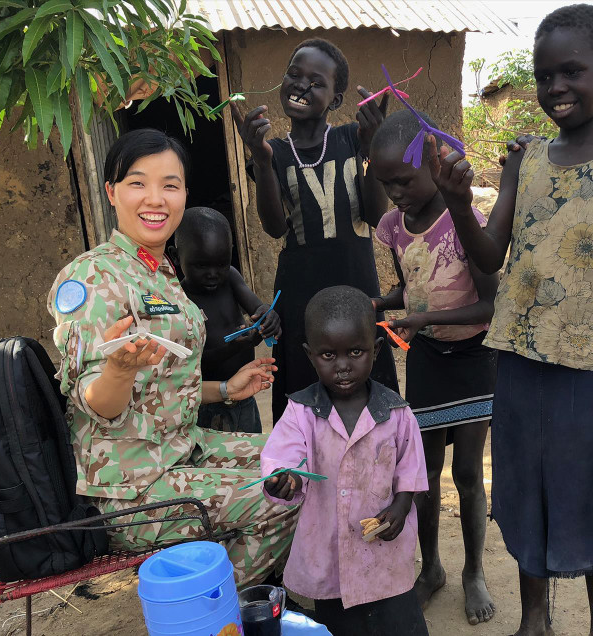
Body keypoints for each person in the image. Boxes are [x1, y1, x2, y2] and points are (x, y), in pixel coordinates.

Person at [431, 5, 593, 634]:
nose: (555, 87)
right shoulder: (526, 160)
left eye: (572, 71)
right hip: (520, 362)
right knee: (528, 490)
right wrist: (458, 204)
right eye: (543, 76)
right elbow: (490, 255)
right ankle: (534, 619)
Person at [48, 128, 298, 587]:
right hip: (132, 489)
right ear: (111, 192)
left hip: (184, 450)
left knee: (297, 462)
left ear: (184, 194)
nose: (155, 198)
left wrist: (224, 389)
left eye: (170, 185)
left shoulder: (162, 271)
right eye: (138, 183)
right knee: (286, 498)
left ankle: (242, 589)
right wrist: (118, 372)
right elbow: (95, 402)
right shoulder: (93, 277)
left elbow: (159, 387)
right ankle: (215, 609)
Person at [369, 109, 499, 625]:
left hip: (473, 356)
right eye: (386, 184)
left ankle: (473, 573)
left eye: (402, 179)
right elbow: (415, 282)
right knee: (420, 474)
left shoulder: (464, 219)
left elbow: (490, 305)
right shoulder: (393, 227)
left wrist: (422, 317)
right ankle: (432, 571)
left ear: (434, 161)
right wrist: (382, 305)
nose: (395, 192)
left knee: (467, 471)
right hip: (427, 357)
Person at [230, 38, 398, 423]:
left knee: (367, 392)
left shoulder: (352, 139)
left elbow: (375, 214)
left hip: (357, 287)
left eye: (316, 81)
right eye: (294, 74)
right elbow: (274, 227)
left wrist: (372, 148)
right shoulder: (273, 150)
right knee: (305, 399)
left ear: (336, 100)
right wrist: (260, 158)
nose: (302, 85)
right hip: (300, 293)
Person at [261, 285, 429, 636]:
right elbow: (284, 458)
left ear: (376, 349)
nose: (342, 366)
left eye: (355, 352)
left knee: (397, 621)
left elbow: (411, 471)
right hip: (329, 550)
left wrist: (400, 507)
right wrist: (285, 479)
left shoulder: (397, 414)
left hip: (384, 551)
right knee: (337, 625)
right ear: (310, 355)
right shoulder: (300, 412)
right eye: (328, 355)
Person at [175, 206, 281, 433]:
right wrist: (232, 347)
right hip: (206, 404)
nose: (213, 273)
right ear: (177, 257)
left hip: (245, 398)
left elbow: (257, 308)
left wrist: (268, 317)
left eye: (221, 264)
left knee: (251, 455)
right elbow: (193, 365)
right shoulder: (179, 300)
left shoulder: (230, 277)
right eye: (201, 265)